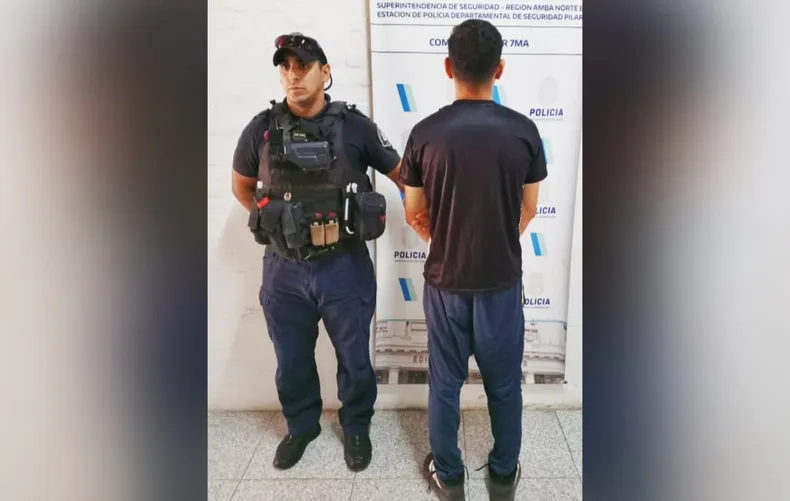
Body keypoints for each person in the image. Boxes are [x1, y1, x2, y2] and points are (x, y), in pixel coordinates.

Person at [231, 32, 424, 472]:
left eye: (303, 66)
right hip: (283, 268)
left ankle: (356, 426)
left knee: (354, 359)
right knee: (291, 360)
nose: (293, 75)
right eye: (285, 67)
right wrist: (280, 226)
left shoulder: (355, 126)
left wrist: (420, 218)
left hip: (343, 265)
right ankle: (302, 426)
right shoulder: (260, 128)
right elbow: (242, 187)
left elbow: (403, 176)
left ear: (326, 72)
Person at [400, 20, 547, 501]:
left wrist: (444, 237)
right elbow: (529, 208)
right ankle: (502, 476)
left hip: (445, 282)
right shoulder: (525, 132)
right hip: (500, 282)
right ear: (499, 69)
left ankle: (450, 477)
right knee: (504, 386)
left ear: (449, 67)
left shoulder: (425, 133)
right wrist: (498, 236)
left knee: (445, 384)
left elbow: (414, 212)